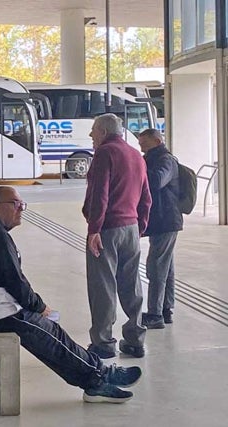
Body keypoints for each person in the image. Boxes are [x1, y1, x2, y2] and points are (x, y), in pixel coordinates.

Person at [0, 186, 143, 403]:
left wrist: (36, 308)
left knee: (52, 331)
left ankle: (99, 372)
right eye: (15, 204)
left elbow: (9, 279)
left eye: (22, 204)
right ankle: (97, 381)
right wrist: (39, 307)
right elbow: (15, 282)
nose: (21, 209)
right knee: (47, 337)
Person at [83, 113, 151, 359]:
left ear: (103, 131)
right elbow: (146, 196)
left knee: (103, 285)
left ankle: (103, 342)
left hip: (107, 228)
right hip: (131, 227)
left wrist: (94, 229)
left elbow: (100, 193)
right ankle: (135, 340)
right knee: (131, 283)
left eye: (93, 131)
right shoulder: (136, 155)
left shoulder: (105, 153)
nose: (91, 136)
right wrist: (139, 226)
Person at [137, 128, 182, 328]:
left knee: (156, 267)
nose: (141, 148)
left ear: (156, 141)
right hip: (162, 220)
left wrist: (139, 169)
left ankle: (155, 314)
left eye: (144, 144)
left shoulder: (166, 160)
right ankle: (165, 309)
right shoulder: (151, 158)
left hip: (167, 221)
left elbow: (156, 181)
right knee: (166, 267)